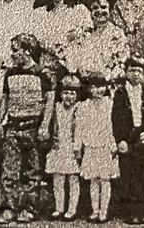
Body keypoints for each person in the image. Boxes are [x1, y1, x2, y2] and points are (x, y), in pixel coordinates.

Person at [0, 33, 55, 224]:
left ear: (28, 51)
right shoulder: (10, 73)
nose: (13, 54)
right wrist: (0, 123)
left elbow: (49, 101)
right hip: (13, 125)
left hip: (33, 125)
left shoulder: (42, 73)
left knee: (32, 169)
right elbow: (5, 99)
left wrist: (45, 125)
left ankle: (29, 208)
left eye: (16, 50)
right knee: (9, 168)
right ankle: (10, 207)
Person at [113, 56, 144, 224]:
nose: (135, 74)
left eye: (139, 71)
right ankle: (131, 212)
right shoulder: (119, 94)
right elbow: (116, 118)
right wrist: (121, 139)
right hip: (128, 136)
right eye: (132, 70)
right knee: (128, 173)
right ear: (126, 72)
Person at [77, 74, 119, 222]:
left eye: (101, 86)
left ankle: (104, 211)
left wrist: (113, 144)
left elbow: (113, 126)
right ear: (88, 88)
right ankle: (95, 210)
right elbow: (80, 128)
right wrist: (79, 146)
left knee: (105, 179)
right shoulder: (83, 106)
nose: (98, 90)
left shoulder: (110, 103)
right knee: (93, 180)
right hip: (90, 146)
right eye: (94, 87)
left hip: (106, 145)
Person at [46, 74, 82, 220]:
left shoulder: (79, 109)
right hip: (58, 146)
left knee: (73, 179)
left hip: (72, 146)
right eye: (66, 93)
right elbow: (50, 125)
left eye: (72, 93)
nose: (68, 97)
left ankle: (72, 209)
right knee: (58, 178)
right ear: (61, 94)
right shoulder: (56, 108)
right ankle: (58, 207)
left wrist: (78, 147)